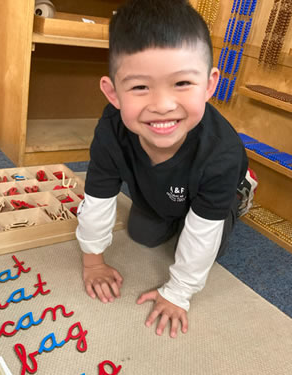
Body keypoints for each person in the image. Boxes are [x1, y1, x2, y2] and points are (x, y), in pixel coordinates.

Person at [75, 0, 257, 338]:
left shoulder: (222, 153)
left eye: (182, 84)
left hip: (211, 189)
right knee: (142, 234)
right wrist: (93, 262)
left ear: (209, 84)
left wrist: (178, 293)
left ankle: (240, 194)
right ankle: (173, 209)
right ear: (113, 93)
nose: (161, 106)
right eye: (140, 87)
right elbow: (98, 197)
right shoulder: (111, 130)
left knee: (205, 245)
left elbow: (201, 236)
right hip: (165, 188)